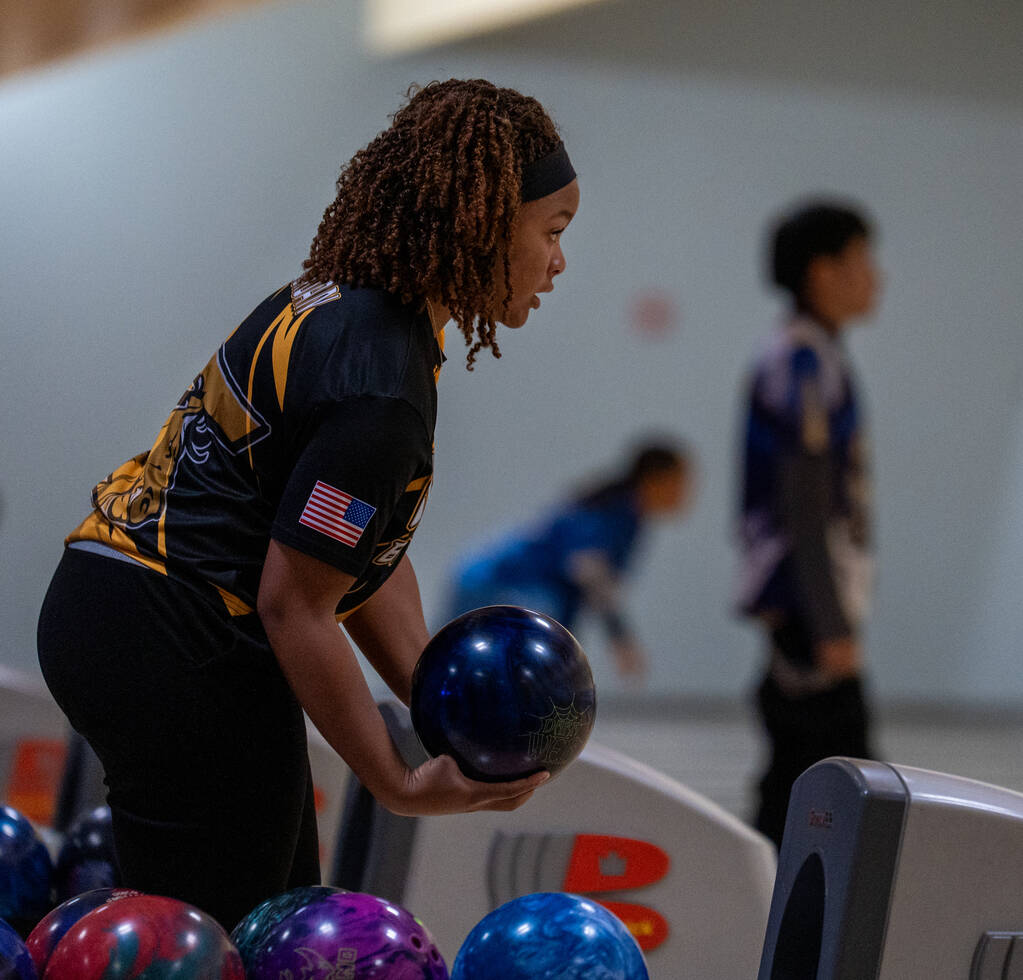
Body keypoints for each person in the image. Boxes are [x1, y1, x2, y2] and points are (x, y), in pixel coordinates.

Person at [36, 78, 580, 930]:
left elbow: (356, 563)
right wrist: (396, 783)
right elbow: (297, 606)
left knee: (275, 908)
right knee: (228, 934)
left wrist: (433, 707)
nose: (558, 261)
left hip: (126, 610)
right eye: (550, 233)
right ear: (480, 222)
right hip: (172, 634)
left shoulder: (355, 311)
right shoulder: (379, 387)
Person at [735, 199, 882, 848]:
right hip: (803, 606)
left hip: (807, 605)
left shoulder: (816, 355)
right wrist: (829, 623)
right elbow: (803, 504)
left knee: (803, 780)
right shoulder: (799, 363)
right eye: (862, 260)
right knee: (840, 783)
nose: (876, 277)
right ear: (822, 272)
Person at [445, 440, 693, 680]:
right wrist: (620, 639)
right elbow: (589, 573)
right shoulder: (610, 512)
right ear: (655, 480)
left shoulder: (628, 517)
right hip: (494, 585)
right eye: (680, 481)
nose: (687, 492)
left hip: (508, 588)